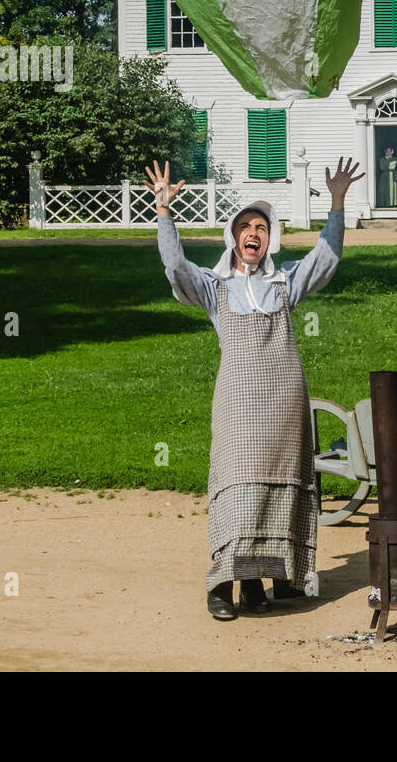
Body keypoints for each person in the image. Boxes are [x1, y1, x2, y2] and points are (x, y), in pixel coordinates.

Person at [144, 157, 363, 620]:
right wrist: (165, 213)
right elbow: (176, 269)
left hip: (284, 403)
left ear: (270, 237)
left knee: (275, 491)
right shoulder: (214, 286)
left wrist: (337, 202)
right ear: (233, 235)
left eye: (261, 226)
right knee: (239, 487)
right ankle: (221, 586)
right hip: (239, 404)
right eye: (245, 225)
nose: (253, 233)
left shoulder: (284, 284)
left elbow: (326, 258)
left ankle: (257, 584)